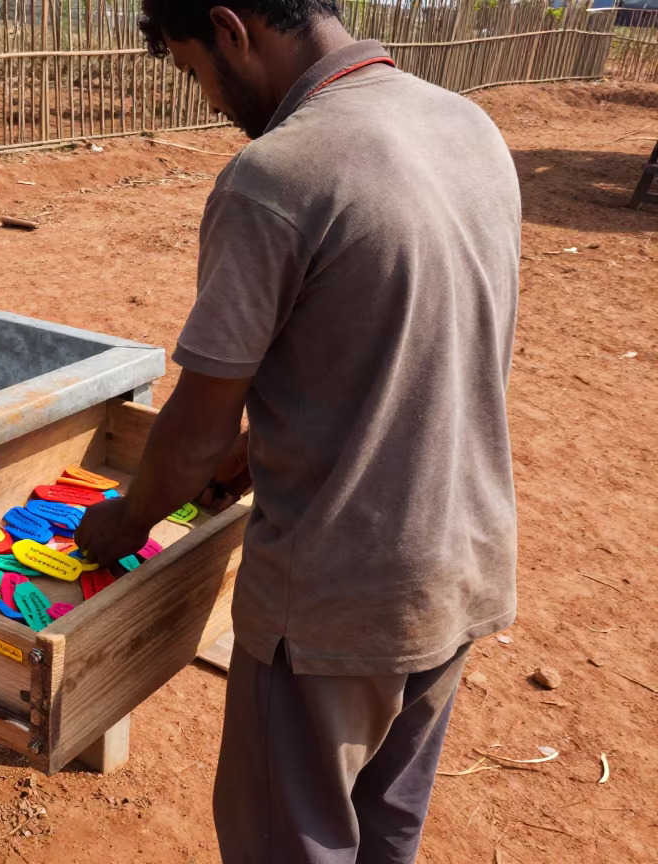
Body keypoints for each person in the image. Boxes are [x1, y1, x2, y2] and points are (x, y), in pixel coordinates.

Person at [72, 0, 521, 860]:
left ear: (231, 28)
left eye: (193, 70)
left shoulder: (275, 177)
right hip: (459, 571)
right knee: (386, 830)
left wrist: (122, 525)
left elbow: (196, 435)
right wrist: (266, 449)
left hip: (334, 608)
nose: (207, 101)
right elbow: (416, 348)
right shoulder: (469, 127)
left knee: (291, 841)